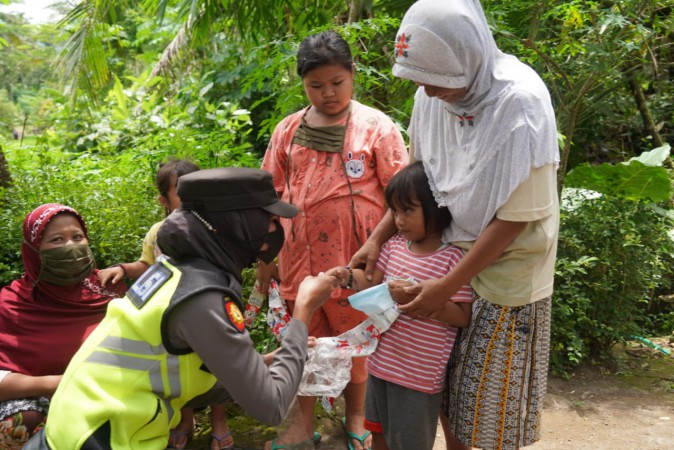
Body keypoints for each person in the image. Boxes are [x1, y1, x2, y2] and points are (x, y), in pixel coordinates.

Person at [351, 1, 560, 449]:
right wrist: (376, 239)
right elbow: (419, 180)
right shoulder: (432, 98)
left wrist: (447, 286)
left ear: (466, 57)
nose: (425, 92)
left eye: (435, 80)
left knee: (483, 408)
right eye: (419, 80)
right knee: (443, 391)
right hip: (446, 261)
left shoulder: (519, 104)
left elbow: (514, 220)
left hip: (507, 273)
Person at [23, 167, 339, 450]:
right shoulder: (202, 295)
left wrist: (261, 363)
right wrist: (304, 309)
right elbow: (271, 407)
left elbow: (167, 364)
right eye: (268, 218)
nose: (274, 227)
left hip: (72, 425)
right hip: (100, 438)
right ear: (236, 222)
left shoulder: (172, 270)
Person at [258, 30, 408, 450]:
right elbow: (270, 197)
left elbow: (401, 197)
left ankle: (356, 416)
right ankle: (301, 425)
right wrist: (266, 259)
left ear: (353, 75)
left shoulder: (377, 127)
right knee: (301, 339)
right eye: (316, 86)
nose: (328, 94)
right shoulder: (288, 130)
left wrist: (377, 246)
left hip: (356, 263)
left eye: (337, 83)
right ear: (302, 84)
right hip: (297, 261)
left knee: (356, 340)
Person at [328, 161, 473, 450]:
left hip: (418, 378)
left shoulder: (452, 260)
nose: (399, 220)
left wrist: (417, 299)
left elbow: (461, 316)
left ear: (436, 208)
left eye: (408, 210)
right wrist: (345, 278)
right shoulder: (393, 246)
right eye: (394, 211)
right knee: (378, 434)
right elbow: (370, 281)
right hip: (381, 366)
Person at [98, 158, 233, 450]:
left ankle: (220, 420)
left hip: (210, 308)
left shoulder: (217, 228)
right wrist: (123, 268)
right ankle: (186, 420)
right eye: (183, 194)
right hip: (173, 314)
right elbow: (147, 264)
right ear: (164, 199)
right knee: (179, 366)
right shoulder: (158, 232)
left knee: (217, 362)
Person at [0, 204, 127, 449]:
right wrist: (61, 382)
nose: (71, 247)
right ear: (33, 250)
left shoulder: (109, 288)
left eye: (77, 237)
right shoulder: (11, 304)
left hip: (109, 397)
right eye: (57, 240)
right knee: (19, 422)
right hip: (43, 401)